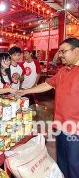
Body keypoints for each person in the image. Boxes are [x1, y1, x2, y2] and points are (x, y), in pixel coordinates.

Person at [16, 38, 79, 178]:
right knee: (62, 161)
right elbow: (48, 85)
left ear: (76, 51)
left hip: (75, 130)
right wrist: (25, 91)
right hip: (60, 125)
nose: (60, 55)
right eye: (60, 51)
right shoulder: (63, 71)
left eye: (63, 51)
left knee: (75, 165)